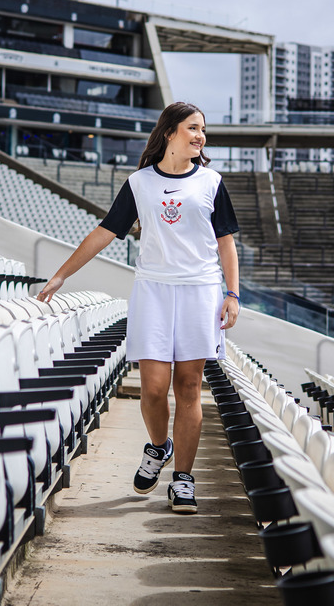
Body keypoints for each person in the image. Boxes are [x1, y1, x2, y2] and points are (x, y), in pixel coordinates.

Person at [37, 102, 240, 514]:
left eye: (203, 129)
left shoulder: (212, 182)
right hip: (153, 291)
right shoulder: (140, 183)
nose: (200, 136)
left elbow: (226, 242)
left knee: (189, 387)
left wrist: (233, 294)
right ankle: (159, 447)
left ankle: (183, 480)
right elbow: (104, 231)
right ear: (169, 133)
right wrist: (61, 275)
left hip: (200, 291)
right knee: (152, 389)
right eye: (192, 128)